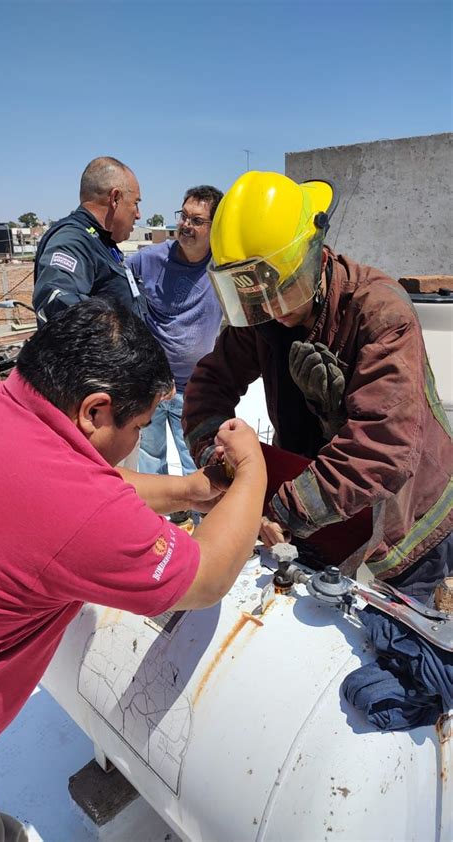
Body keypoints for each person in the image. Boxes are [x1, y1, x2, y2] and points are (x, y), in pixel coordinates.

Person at [0, 297, 266, 842]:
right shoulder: (77, 508)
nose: (139, 439)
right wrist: (252, 471)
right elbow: (204, 577)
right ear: (94, 410)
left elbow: (75, 485)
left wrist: (187, 490)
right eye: (138, 425)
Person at [182, 170, 452, 603]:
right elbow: (209, 386)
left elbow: (383, 447)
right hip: (323, 507)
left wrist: (279, 509)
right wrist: (222, 466)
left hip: (407, 525)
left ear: (316, 256)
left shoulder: (380, 313)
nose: (276, 311)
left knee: (400, 647)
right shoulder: (263, 309)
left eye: (288, 291)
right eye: (261, 301)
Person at [126, 185, 223, 531]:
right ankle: (159, 525)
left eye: (197, 220)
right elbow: (113, 277)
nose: (186, 225)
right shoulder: (150, 258)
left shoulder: (223, 265)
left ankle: (204, 525)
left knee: (195, 458)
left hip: (197, 388)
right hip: (151, 384)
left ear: (216, 226)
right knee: (151, 457)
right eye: (183, 216)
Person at [33, 156, 146, 326]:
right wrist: (114, 334)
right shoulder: (73, 239)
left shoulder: (100, 241)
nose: (138, 215)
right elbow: (55, 301)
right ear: (115, 198)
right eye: (135, 203)